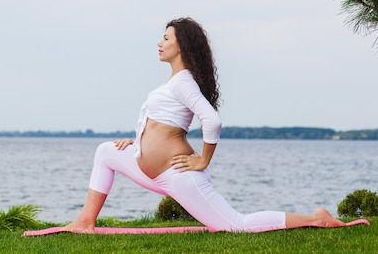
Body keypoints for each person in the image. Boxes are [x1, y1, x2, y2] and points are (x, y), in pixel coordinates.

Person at [63, 17, 347, 233]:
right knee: (105, 152)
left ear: (181, 45)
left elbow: (211, 121)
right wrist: (136, 143)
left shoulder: (184, 82)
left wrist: (203, 160)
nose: (160, 43)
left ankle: (315, 219)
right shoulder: (173, 82)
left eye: (165, 38)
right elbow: (162, 125)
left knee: (236, 225)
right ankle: (86, 221)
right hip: (147, 167)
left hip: (178, 174)